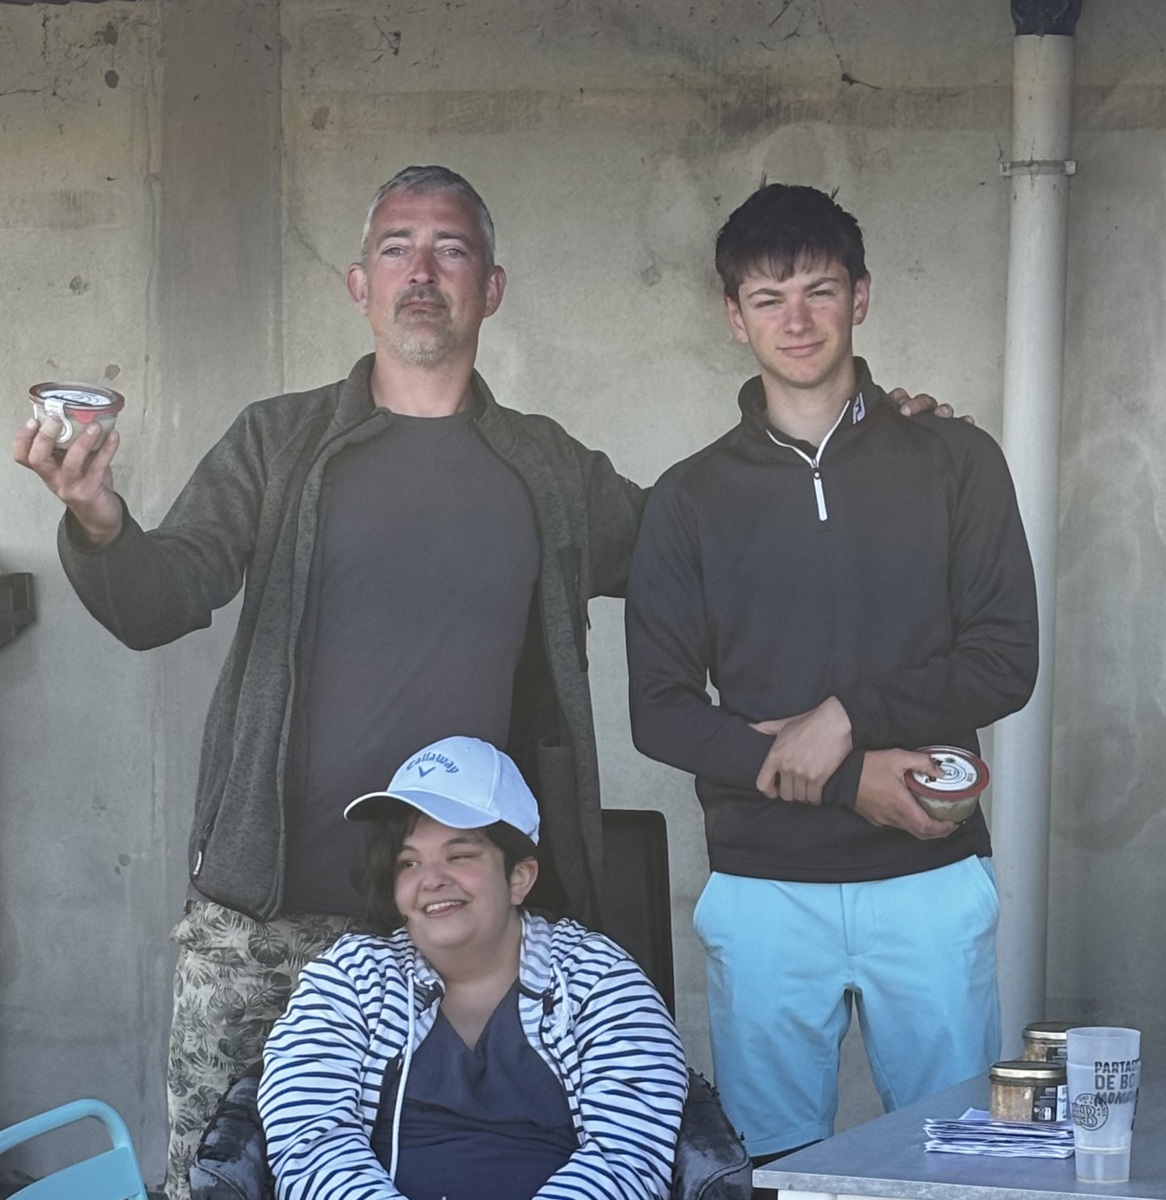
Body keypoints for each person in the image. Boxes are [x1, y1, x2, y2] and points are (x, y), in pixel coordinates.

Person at [12, 165, 948, 1196]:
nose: (422, 271)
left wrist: (854, 437)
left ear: (490, 288)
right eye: (397, 248)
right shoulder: (277, 444)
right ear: (359, 284)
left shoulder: (547, 469)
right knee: (223, 1183)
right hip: (264, 923)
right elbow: (159, 601)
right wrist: (96, 516)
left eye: (450, 249)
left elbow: (704, 539)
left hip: (465, 925)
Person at [625, 183, 1039, 1162]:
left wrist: (844, 714)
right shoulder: (688, 498)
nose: (797, 320)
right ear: (735, 318)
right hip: (764, 885)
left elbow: (1003, 660)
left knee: (956, 1159)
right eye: (767, 299)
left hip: (928, 875)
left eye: (819, 290)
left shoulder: (956, 459)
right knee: (772, 1167)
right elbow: (661, 713)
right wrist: (850, 777)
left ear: (861, 295)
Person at [258, 735, 688, 1200]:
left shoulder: (599, 980)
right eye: (408, 862)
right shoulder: (350, 979)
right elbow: (309, 1140)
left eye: (460, 855)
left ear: (519, 877)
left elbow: (628, 1157)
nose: (431, 880)